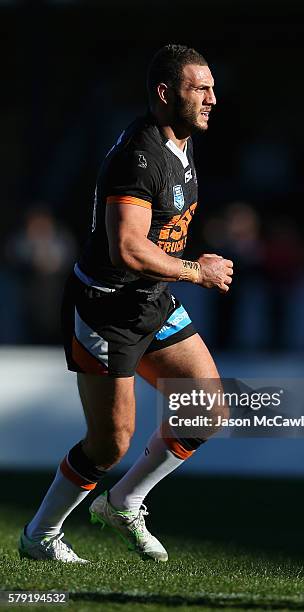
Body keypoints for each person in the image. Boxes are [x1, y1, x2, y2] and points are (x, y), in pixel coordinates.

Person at [19, 44, 233, 563]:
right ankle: (40, 536)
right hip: (107, 308)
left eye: (211, 87)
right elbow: (128, 248)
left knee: (204, 410)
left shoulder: (178, 142)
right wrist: (194, 270)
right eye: (197, 88)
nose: (211, 98)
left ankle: (125, 501)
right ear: (164, 94)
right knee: (109, 445)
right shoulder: (139, 157)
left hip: (149, 301)